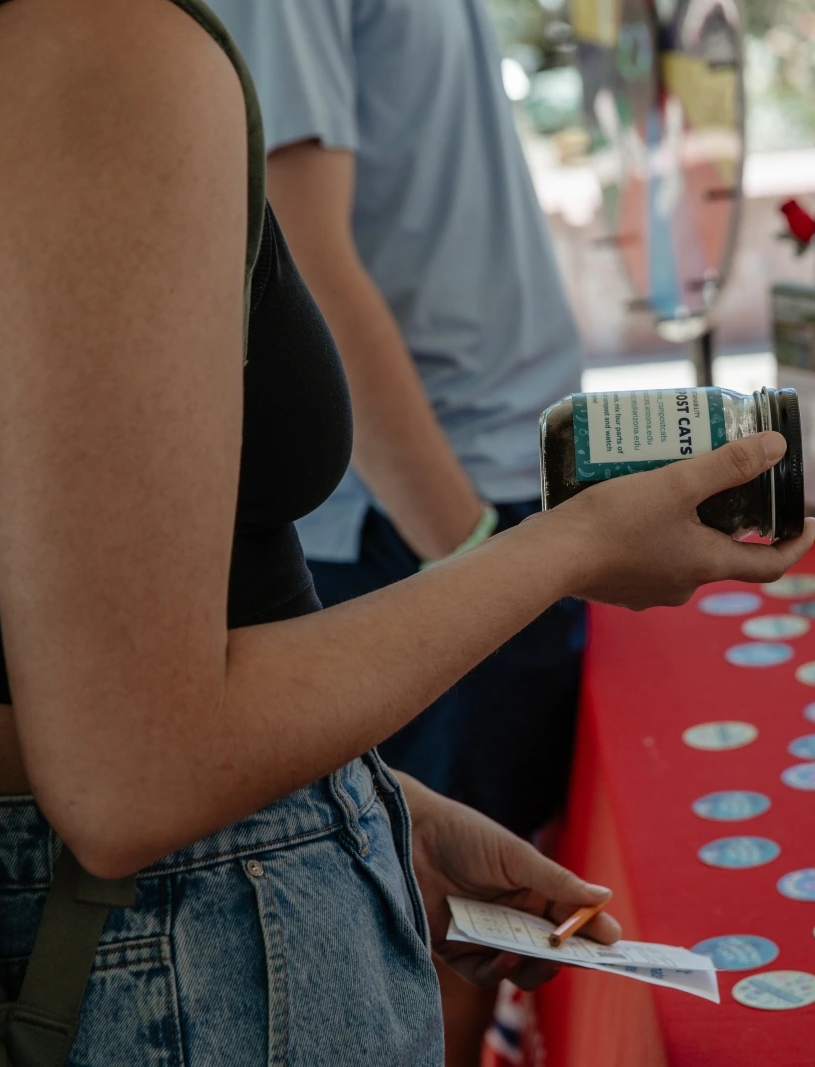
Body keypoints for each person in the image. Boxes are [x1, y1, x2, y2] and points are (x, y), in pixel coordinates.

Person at [0, 1, 815, 1063]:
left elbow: (6, 631)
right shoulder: (98, 52)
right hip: (189, 956)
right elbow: (134, 774)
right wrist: (562, 548)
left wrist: (372, 811)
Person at [201, 1, 597, 1054]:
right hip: (420, 508)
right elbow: (297, 255)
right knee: (454, 925)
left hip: (481, 487)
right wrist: (466, 548)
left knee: (495, 898)